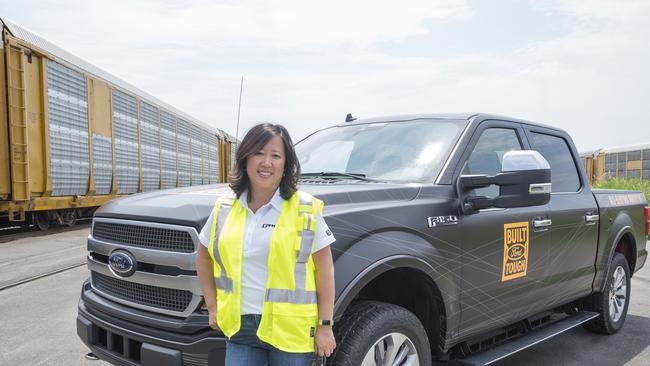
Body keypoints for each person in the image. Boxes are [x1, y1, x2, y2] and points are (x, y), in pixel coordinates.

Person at [196, 123, 337, 366]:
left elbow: (325, 270)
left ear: (285, 164)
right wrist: (212, 306)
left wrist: (325, 326)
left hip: (290, 331)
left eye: (275, 155)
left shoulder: (305, 209)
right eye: (259, 153)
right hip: (240, 328)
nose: (266, 162)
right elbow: (203, 256)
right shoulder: (225, 207)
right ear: (245, 158)